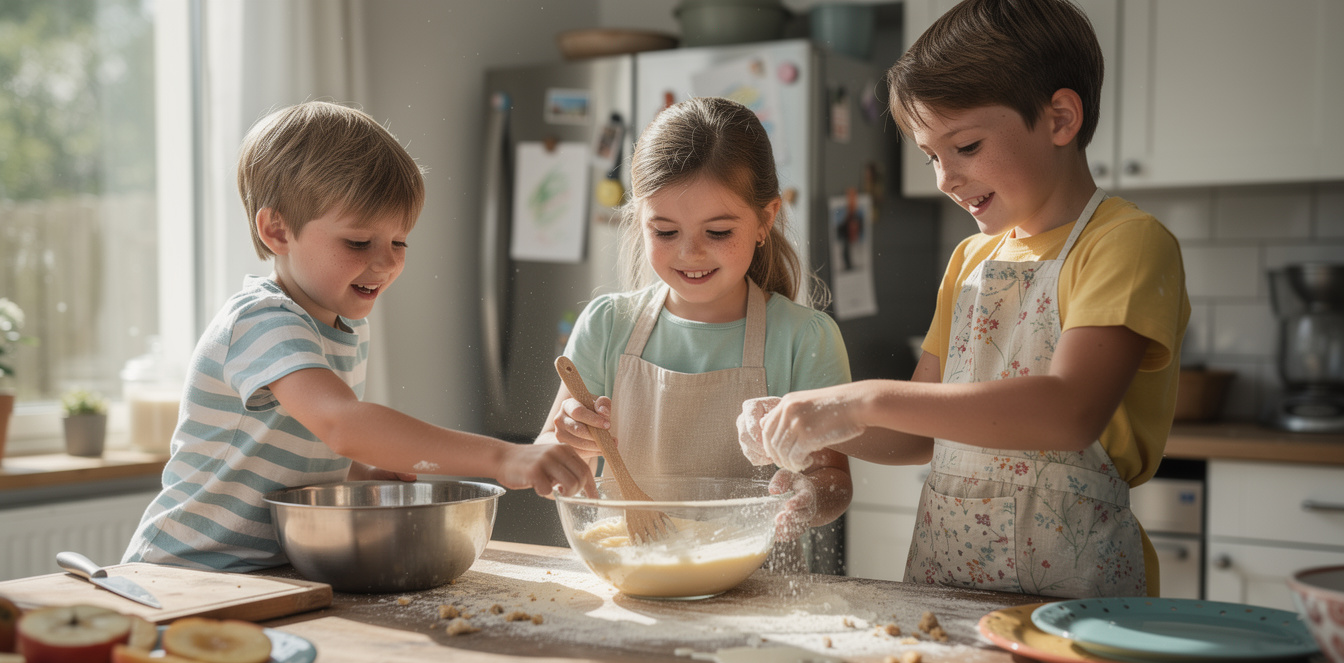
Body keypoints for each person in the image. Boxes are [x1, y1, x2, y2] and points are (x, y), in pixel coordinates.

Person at [740, 0, 1189, 599]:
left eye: (966, 146)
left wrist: (859, 398)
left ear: (1060, 118)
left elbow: (1068, 412)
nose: (943, 179)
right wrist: (810, 421)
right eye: (931, 156)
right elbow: (923, 430)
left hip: (1080, 602)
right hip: (947, 591)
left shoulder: (1125, 243)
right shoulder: (971, 263)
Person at [124, 101, 594, 572]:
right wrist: (502, 457)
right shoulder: (262, 321)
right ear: (277, 230)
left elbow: (297, 440)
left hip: (258, 575)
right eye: (357, 242)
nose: (386, 262)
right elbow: (342, 425)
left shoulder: (341, 328)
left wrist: (357, 472)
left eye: (399, 242)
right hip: (181, 571)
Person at [538, 96, 853, 551]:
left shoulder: (805, 339)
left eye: (718, 231)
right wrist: (570, 441)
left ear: (766, 219)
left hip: (754, 587)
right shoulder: (608, 325)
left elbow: (834, 480)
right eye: (665, 232)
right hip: (632, 575)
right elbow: (552, 462)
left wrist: (808, 495)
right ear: (639, 221)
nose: (690, 253)